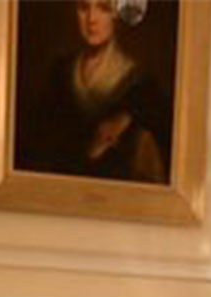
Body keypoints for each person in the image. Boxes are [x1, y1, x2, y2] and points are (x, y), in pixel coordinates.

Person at [15, 0, 171, 183]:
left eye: (104, 8)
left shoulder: (141, 85)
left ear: (118, 15)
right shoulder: (60, 73)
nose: (91, 19)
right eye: (83, 8)